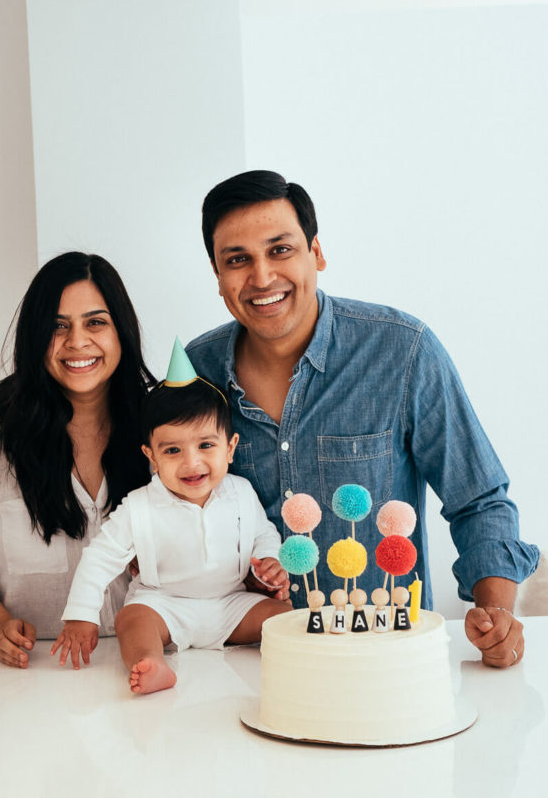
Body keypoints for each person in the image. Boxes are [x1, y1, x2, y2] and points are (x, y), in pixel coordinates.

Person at [186, 170, 539, 669]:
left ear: (317, 253)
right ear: (218, 277)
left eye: (280, 250)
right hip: (244, 662)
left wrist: (496, 611)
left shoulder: (402, 351)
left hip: (385, 662)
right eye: (237, 260)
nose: (262, 277)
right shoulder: (196, 375)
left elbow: (479, 500)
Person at [0, 252, 155, 668]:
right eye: (57, 326)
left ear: (122, 331)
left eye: (96, 322)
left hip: (147, 670)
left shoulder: (166, 432)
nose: (77, 342)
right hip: (34, 674)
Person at [51, 351, 291, 694]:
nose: (191, 463)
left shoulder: (241, 492)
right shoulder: (140, 507)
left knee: (283, 615)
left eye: (206, 445)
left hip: (231, 603)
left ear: (230, 448)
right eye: (172, 451)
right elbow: (100, 557)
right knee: (130, 621)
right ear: (151, 456)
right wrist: (81, 614)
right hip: (164, 605)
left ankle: (294, 658)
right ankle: (150, 663)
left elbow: (263, 534)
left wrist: (269, 562)